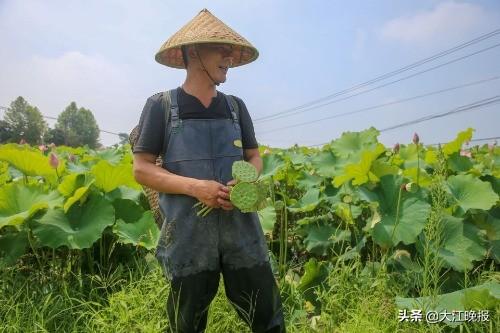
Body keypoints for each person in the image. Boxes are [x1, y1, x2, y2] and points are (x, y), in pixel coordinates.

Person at [132, 8, 285, 333]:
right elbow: (142, 170)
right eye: (221, 48)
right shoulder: (161, 106)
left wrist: (245, 180)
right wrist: (196, 188)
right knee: (186, 324)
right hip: (188, 235)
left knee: (268, 317)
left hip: (242, 231)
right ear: (193, 52)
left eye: (230, 50)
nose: (229, 57)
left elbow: (255, 158)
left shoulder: (236, 107)